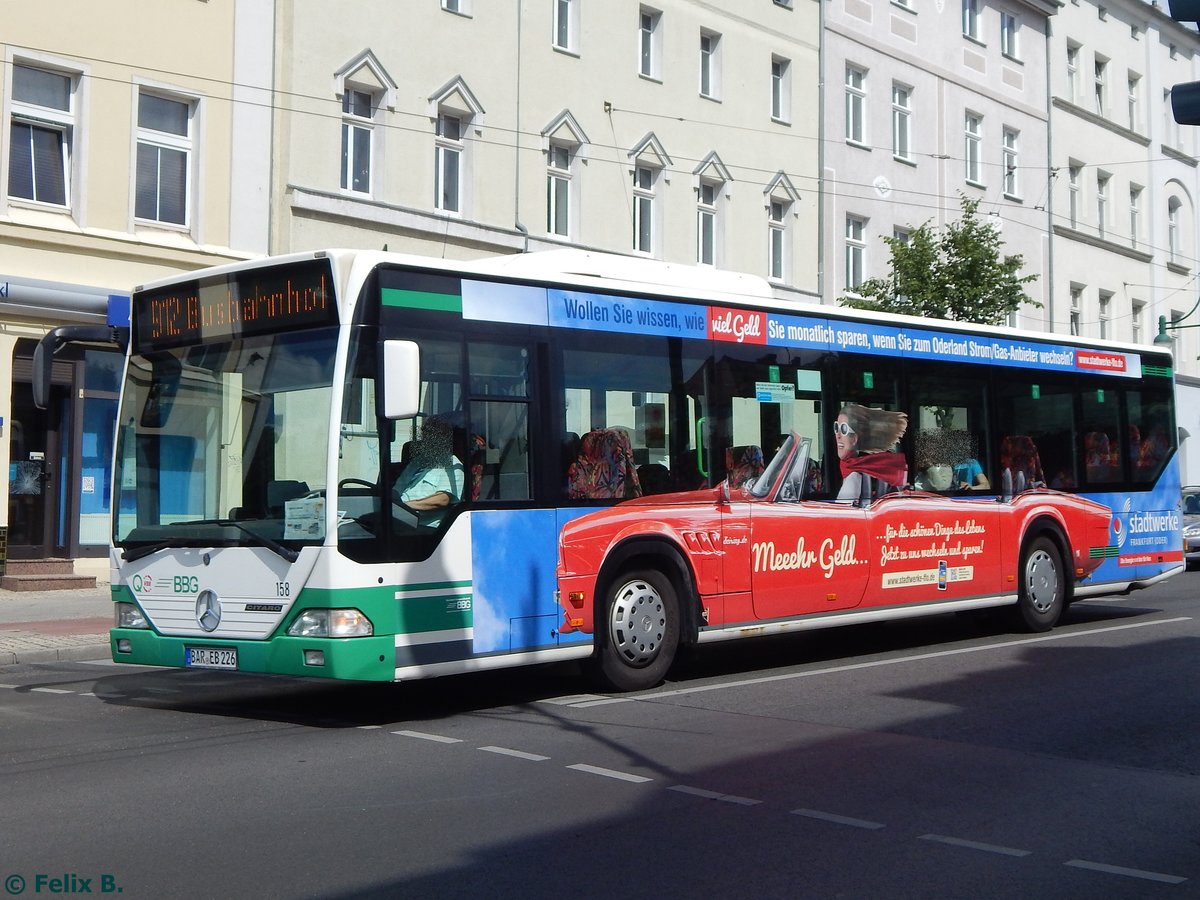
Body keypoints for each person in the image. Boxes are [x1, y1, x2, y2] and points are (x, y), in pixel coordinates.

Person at [392, 416, 465, 528]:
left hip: (423, 527)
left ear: (443, 438)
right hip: (399, 517)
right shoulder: (417, 462)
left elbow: (443, 499)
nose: (425, 439)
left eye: (430, 435)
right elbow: (396, 490)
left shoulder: (453, 465)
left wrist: (406, 506)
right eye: (425, 435)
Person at [834, 403, 908, 501]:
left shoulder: (853, 477)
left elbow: (843, 513)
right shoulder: (870, 469)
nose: (838, 435)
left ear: (854, 439)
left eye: (843, 429)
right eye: (836, 427)